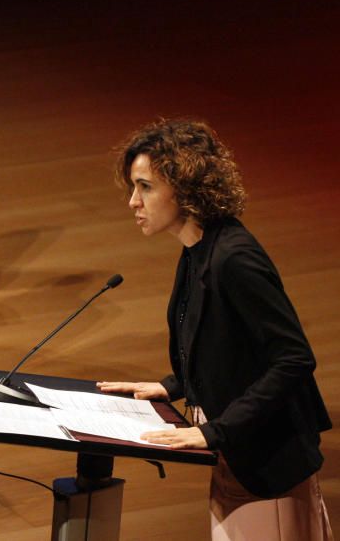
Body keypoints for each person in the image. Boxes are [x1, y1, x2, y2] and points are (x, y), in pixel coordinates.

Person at [98, 119, 332, 540]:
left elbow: (293, 359)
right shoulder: (196, 250)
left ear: (184, 187)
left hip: (266, 462)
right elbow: (224, 343)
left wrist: (214, 431)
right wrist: (174, 386)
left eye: (145, 187)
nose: (133, 201)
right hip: (234, 455)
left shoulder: (233, 259)